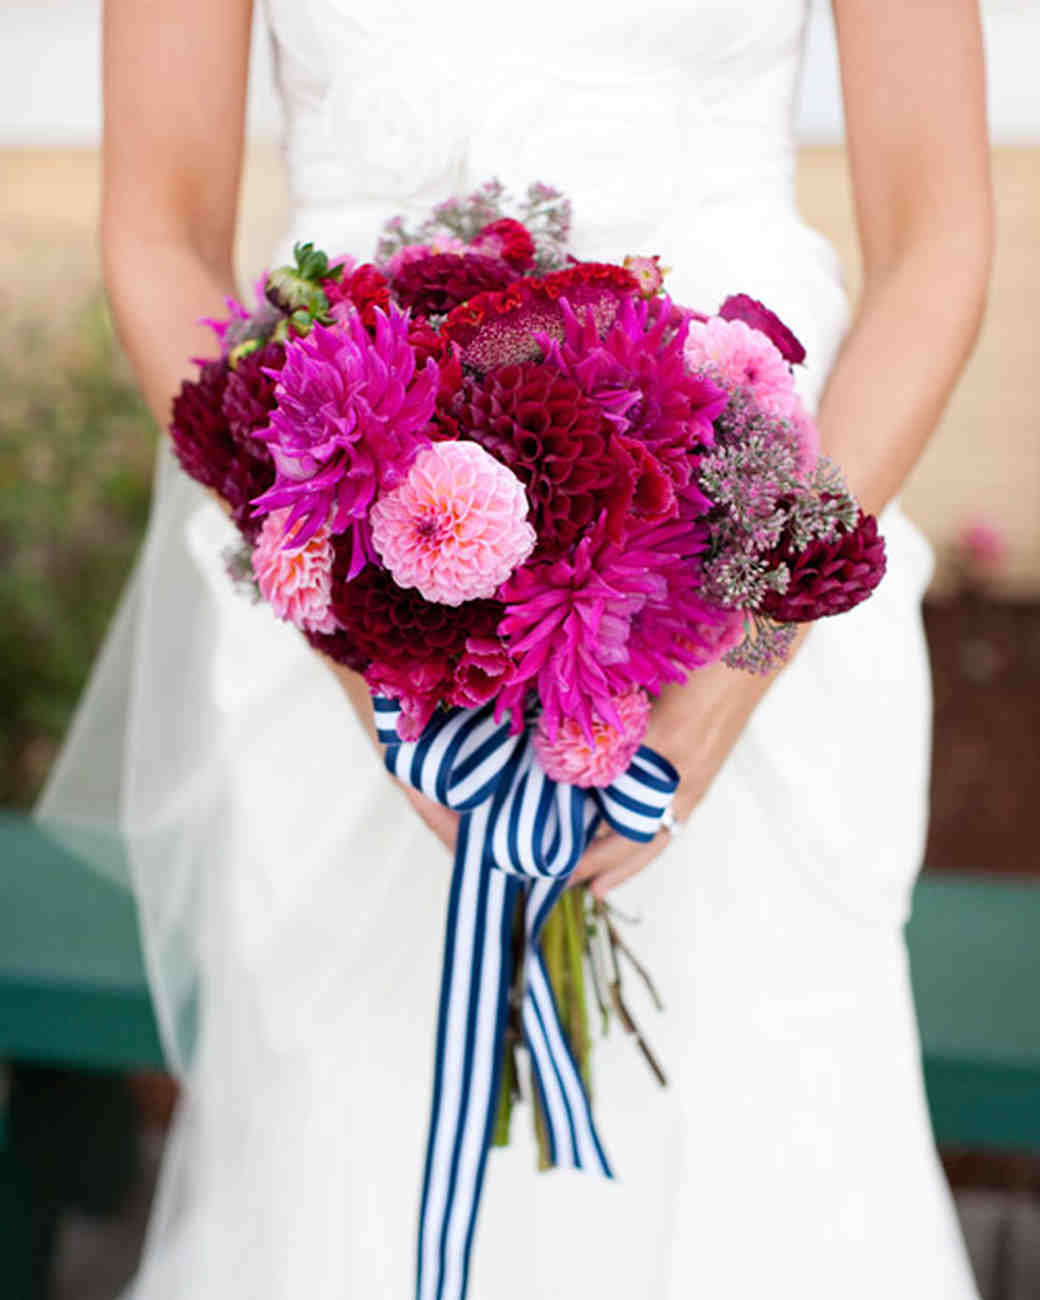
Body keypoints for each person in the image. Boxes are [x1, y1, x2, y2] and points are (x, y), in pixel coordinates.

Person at [37, 0, 993, 1294]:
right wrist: (363, 636)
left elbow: (937, 240)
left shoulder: (749, 625)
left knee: (758, 1155)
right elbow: (158, 230)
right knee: (350, 1163)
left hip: (750, 528)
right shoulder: (352, 610)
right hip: (348, 527)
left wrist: (731, 672)